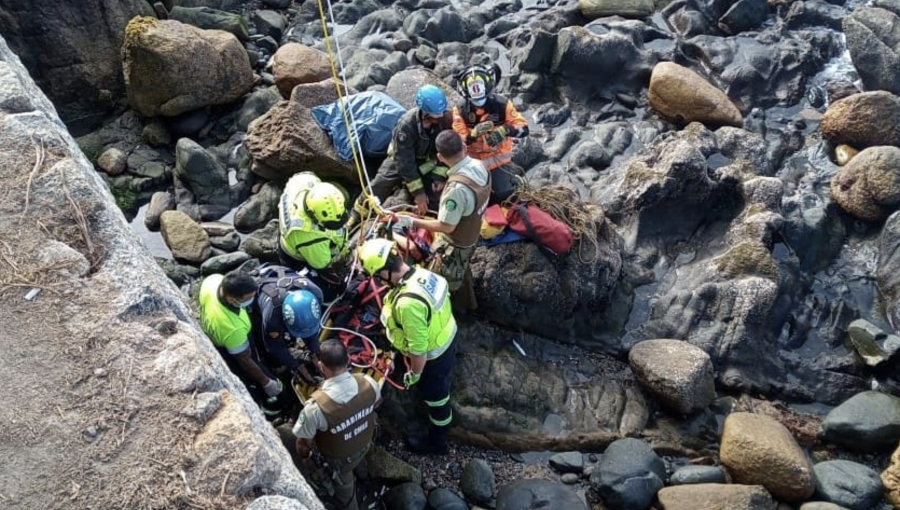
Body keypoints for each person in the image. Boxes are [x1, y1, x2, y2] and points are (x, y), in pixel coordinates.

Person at [358, 239, 457, 455]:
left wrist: (414, 374)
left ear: (384, 273)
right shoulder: (425, 275)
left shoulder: (408, 304)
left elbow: (418, 349)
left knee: (437, 399)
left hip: (433, 359)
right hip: (447, 337)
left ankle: (438, 442)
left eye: (377, 277)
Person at [392, 129, 491, 295]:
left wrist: (411, 221)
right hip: (472, 236)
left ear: (440, 157)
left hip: (454, 248)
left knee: (439, 287)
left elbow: (446, 226)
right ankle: (467, 301)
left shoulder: (456, 190)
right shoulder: (480, 166)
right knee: (461, 273)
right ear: (464, 148)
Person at [293, 339, 381, 510]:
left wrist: (308, 462)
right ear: (348, 359)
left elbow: (303, 445)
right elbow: (377, 403)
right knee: (360, 459)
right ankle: (364, 475)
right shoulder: (368, 382)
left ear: (321, 366)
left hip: (340, 461)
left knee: (345, 494)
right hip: (365, 441)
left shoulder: (315, 409)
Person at [348, 84, 453, 225]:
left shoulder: (444, 119)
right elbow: (404, 162)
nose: (440, 116)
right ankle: (357, 214)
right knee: (381, 183)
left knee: (436, 194)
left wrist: (439, 177)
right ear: (424, 112)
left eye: (441, 113)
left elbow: (446, 148)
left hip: (428, 160)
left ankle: (430, 222)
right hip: (401, 159)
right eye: (436, 114)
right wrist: (419, 194)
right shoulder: (406, 125)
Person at [198, 270, 284, 412]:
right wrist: (266, 382)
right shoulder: (232, 328)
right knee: (249, 371)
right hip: (231, 344)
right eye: (248, 298)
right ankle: (267, 406)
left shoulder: (213, 281)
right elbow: (245, 360)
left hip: (217, 333)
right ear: (233, 299)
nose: (252, 299)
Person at [451, 64, 529, 203]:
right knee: (474, 199)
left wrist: (506, 130)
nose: (479, 105)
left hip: (498, 158)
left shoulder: (502, 105)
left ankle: (514, 182)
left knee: (505, 195)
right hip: (473, 161)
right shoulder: (460, 109)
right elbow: (458, 137)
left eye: (482, 101)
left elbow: (523, 128)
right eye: (475, 102)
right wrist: (471, 136)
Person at [278, 171, 350, 300]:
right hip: (297, 258)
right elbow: (324, 266)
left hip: (289, 237)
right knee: (328, 295)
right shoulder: (309, 236)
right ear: (314, 217)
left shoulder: (304, 181)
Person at [250, 265, 325, 381]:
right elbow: (275, 347)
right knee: (262, 340)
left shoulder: (316, 294)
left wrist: (315, 352)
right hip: (260, 283)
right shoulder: (272, 317)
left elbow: (312, 324)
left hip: (284, 273)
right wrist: (297, 367)